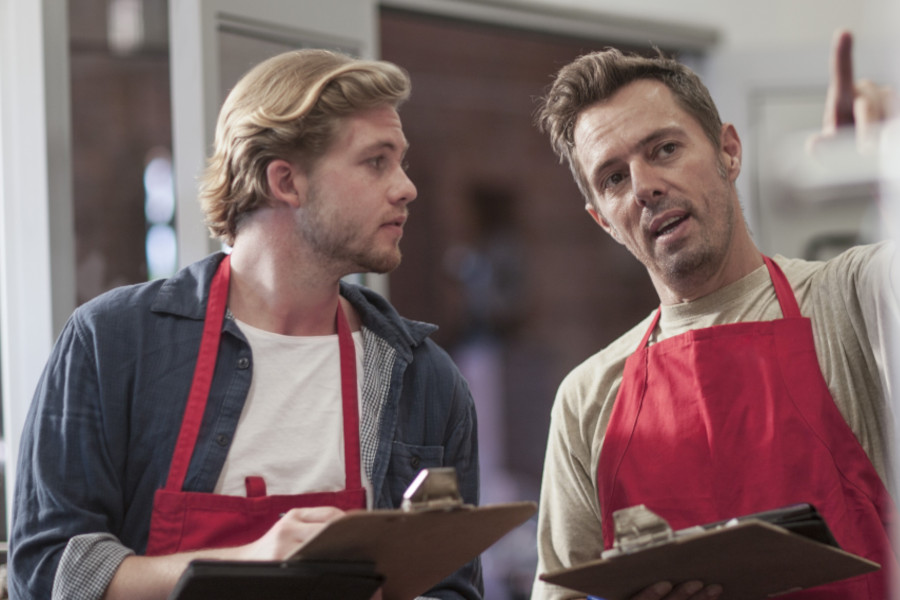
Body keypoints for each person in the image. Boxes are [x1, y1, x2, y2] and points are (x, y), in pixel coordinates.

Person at [8, 49, 481, 600]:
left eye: (399, 161)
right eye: (376, 161)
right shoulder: (111, 344)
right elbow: (47, 573)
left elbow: (454, 589)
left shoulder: (427, 383)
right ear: (285, 181)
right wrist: (252, 564)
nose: (406, 187)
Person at [531, 29, 898, 600]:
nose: (645, 187)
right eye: (614, 178)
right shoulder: (587, 401)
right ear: (602, 219)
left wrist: (890, 167)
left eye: (664, 149)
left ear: (728, 150)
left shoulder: (851, 300)